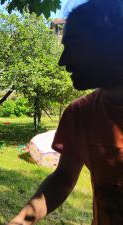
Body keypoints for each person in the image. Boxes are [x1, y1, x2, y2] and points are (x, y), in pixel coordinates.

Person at [8, 0, 123, 224]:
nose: (63, 61)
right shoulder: (80, 114)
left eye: (73, 46)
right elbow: (62, 179)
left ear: (111, 44)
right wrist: (20, 222)